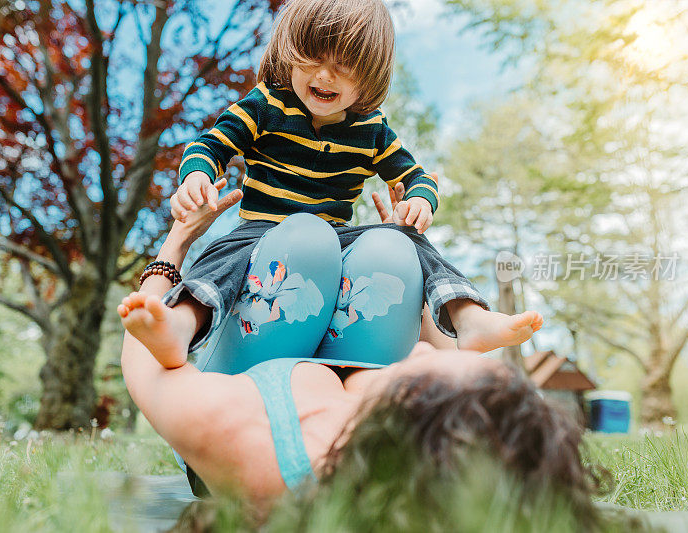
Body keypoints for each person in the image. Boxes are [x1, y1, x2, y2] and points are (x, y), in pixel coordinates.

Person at [117, 196, 596, 521]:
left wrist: (176, 243)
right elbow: (432, 351)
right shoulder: (415, 441)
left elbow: (144, 367)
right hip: (358, 404)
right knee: (391, 251)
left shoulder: (251, 443)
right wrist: (407, 245)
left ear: (421, 408)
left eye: (434, 363)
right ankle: (396, 247)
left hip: (264, 395)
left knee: (305, 239)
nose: (426, 346)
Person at [156, 0, 543, 374]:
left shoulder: (370, 129)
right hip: (261, 231)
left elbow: (416, 176)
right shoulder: (265, 105)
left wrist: (422, 201)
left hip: (337, 239)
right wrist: (197, 176)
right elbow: (211, 144)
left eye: (344, 67)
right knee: (224, 256)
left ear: (369, 77)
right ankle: (183, 323)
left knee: (409, 239)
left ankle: (467, 316)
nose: (325, 76)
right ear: (290, 53)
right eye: (313, 59)